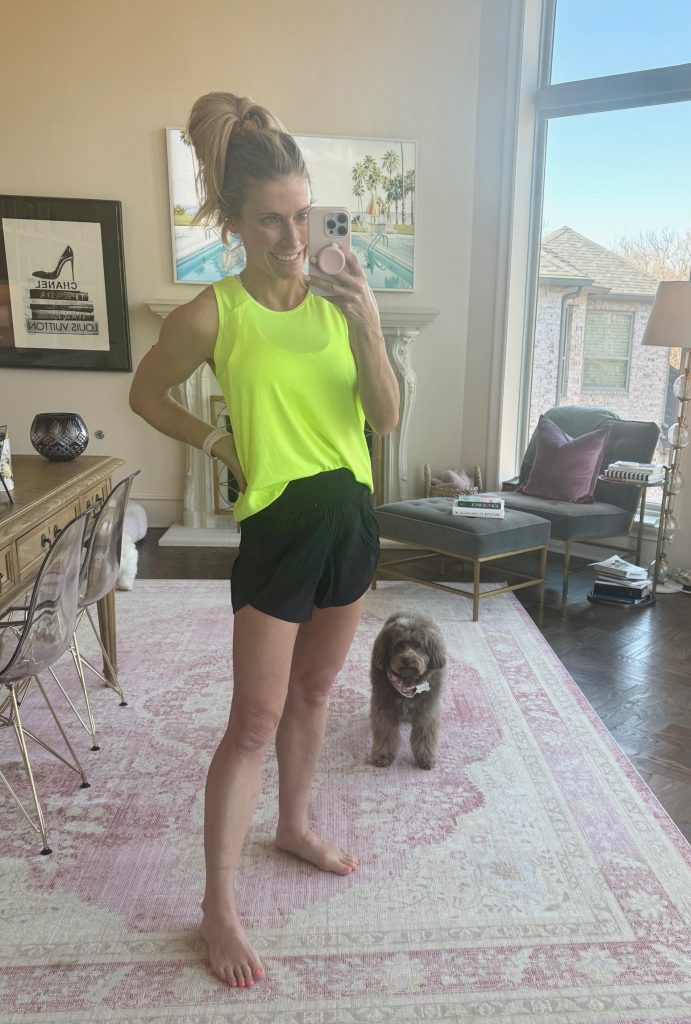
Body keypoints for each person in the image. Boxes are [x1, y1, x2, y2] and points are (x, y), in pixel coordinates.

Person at [129, 92, 399, 990]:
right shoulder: (213, 314)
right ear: (235, 224)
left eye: (303, 215)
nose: (292, 238)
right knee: (252, 721)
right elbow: (145, 395)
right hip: (280, 526)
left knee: (315, 692)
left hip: (351, 517)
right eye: (271, 221)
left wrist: (366, 317)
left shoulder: (342, 299)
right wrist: (218, 442)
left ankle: (293, 826)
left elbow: (386, 419)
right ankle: (218, 906)